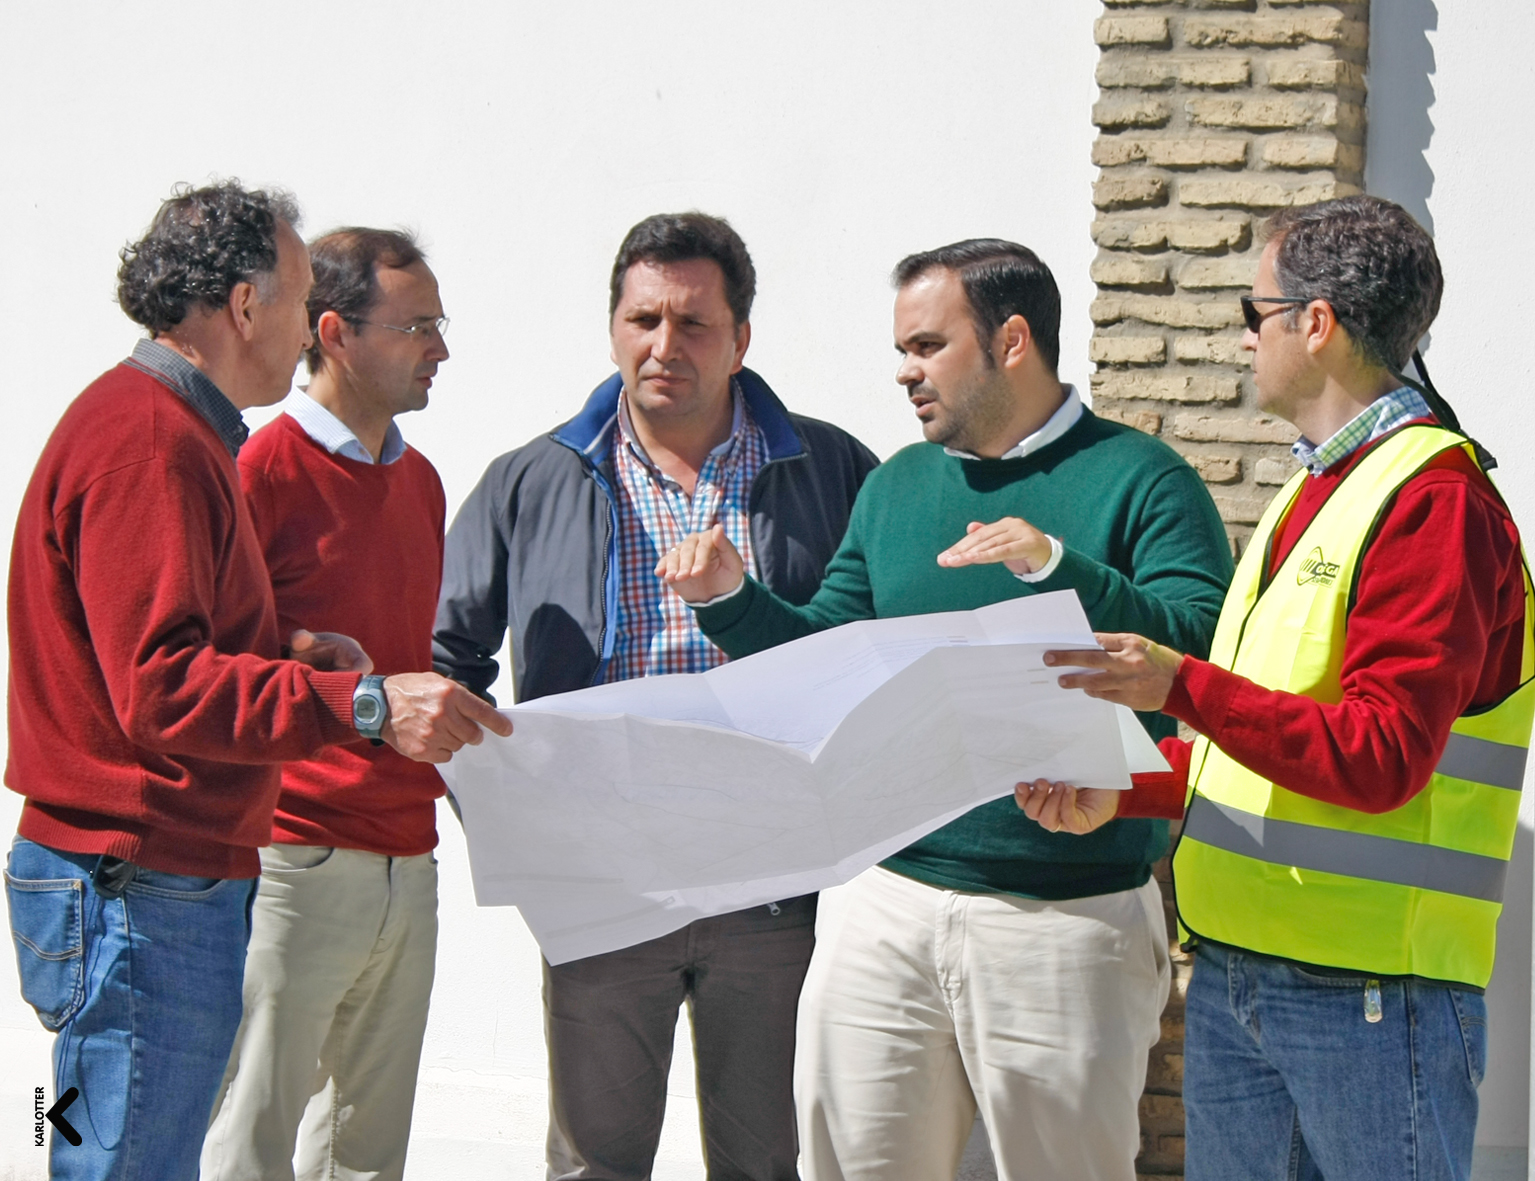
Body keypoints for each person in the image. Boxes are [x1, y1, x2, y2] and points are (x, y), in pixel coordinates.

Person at [657, 238, 1233, 1181]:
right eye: (903, 348)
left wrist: (1057, 568)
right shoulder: (895, 486)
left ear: (1011, 341)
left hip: (1066, 914)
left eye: (926, 346)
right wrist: (730, 597)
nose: (904, 371)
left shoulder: (1144, 479)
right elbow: (829, 661)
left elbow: (1200, 651)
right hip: (882, 901)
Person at [3, 183, 509, 1181]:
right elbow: (159, 687)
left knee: (95, 1139)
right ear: (244, 306)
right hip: (140, 878)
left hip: (139, 876)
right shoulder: (151, 442)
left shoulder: (166, 430)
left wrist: (282, 643)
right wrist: (364, 703)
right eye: (293, 293)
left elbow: (152, 642)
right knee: (118, 1155)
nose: (301, 325)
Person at [1024, 195, 1530, 1181]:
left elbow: (1378, 756)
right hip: (1238, 977)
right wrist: (1124, 794)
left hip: (1372, 1003)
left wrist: (1177, 681)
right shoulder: (1315, 488)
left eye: (1251, 313)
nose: (1240, 338)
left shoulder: (1431, 502)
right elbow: (1260, 744)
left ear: (1314, 323)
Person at [433, 212, 878, 1181]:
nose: (662, 345)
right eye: (642, 319)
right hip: (600, 879)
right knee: (596, 1159)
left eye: (692, 323)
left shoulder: (828, 466)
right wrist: (511, 819)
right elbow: (446, 662)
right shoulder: (530, 477)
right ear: (611, 328)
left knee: (761, 1157)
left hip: (766, 873)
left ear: (740, 338)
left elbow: (878, 645)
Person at [201, 228, 453, 1180]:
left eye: (441, 322)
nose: (441, 347)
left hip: (407, 856)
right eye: (418, 325)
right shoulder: (255, 471)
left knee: (367, 1155)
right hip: (295, 856)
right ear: (337, 332)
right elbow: (208, 664)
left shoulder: (420, 480)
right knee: (248, 1142)